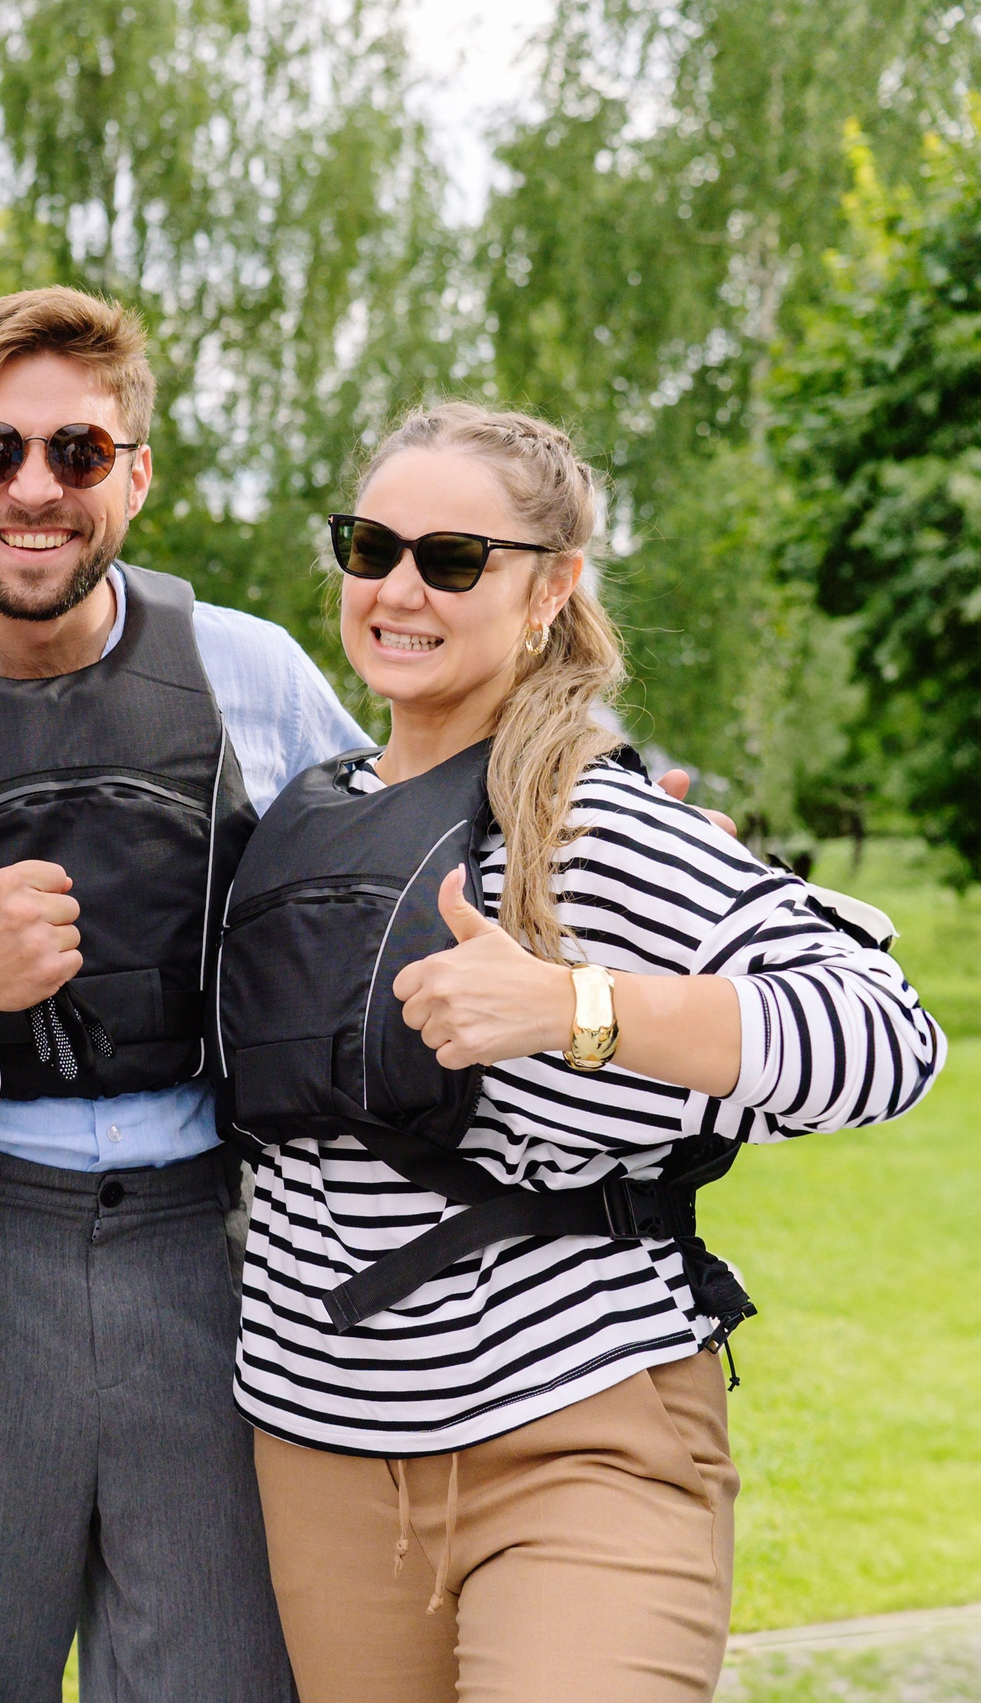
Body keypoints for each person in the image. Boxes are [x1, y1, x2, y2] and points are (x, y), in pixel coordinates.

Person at [223, 403, 943, 1702]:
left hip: (579, 1437)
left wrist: (574, 1006)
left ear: (551, 587)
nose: (397, 588)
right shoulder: (300, 818)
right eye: (370, 547)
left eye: (452, 559)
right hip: (325, 1459)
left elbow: (885, 1033)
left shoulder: (594, 830)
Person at [0, 285, 357, 1702]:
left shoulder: (253, 678)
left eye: (78, 451)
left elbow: (384, 888)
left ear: (136, 474)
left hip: (215, 1249)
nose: (34, 489)